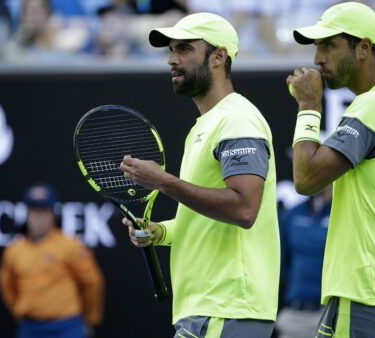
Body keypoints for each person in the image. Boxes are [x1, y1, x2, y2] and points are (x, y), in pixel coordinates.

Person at [119, 12, 280, 338]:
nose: (172, 60)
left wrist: (162, 181)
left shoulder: (236, 119)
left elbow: (244, 209)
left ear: (219, 56)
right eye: (172, 50)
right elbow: (208, 220)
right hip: (210, 309)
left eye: (184, 49)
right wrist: (160, 232)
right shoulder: (206, 125)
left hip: (226, 307)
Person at [286, 2, 375, 338]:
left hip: (368, 295)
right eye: (316, 47)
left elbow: (306, 179)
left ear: (365, 47)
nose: (317, 59)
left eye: (329, 45)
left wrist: (308, 105)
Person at [0, 182, 105, 338]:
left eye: (44, 211)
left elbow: (92, 282)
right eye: (34, 211)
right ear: (27, 213)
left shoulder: (69, 245)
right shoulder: (14, 250)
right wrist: (20, 310)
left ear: (53, 214)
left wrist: (90, 319)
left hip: (68, 327)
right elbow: (7, 285)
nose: (39, 217)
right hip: (30, 327)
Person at [275, 186, 331, 338]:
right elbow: (282, 266)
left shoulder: (343, 214)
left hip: (330, 315)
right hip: (294, 315)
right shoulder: (291, 214)